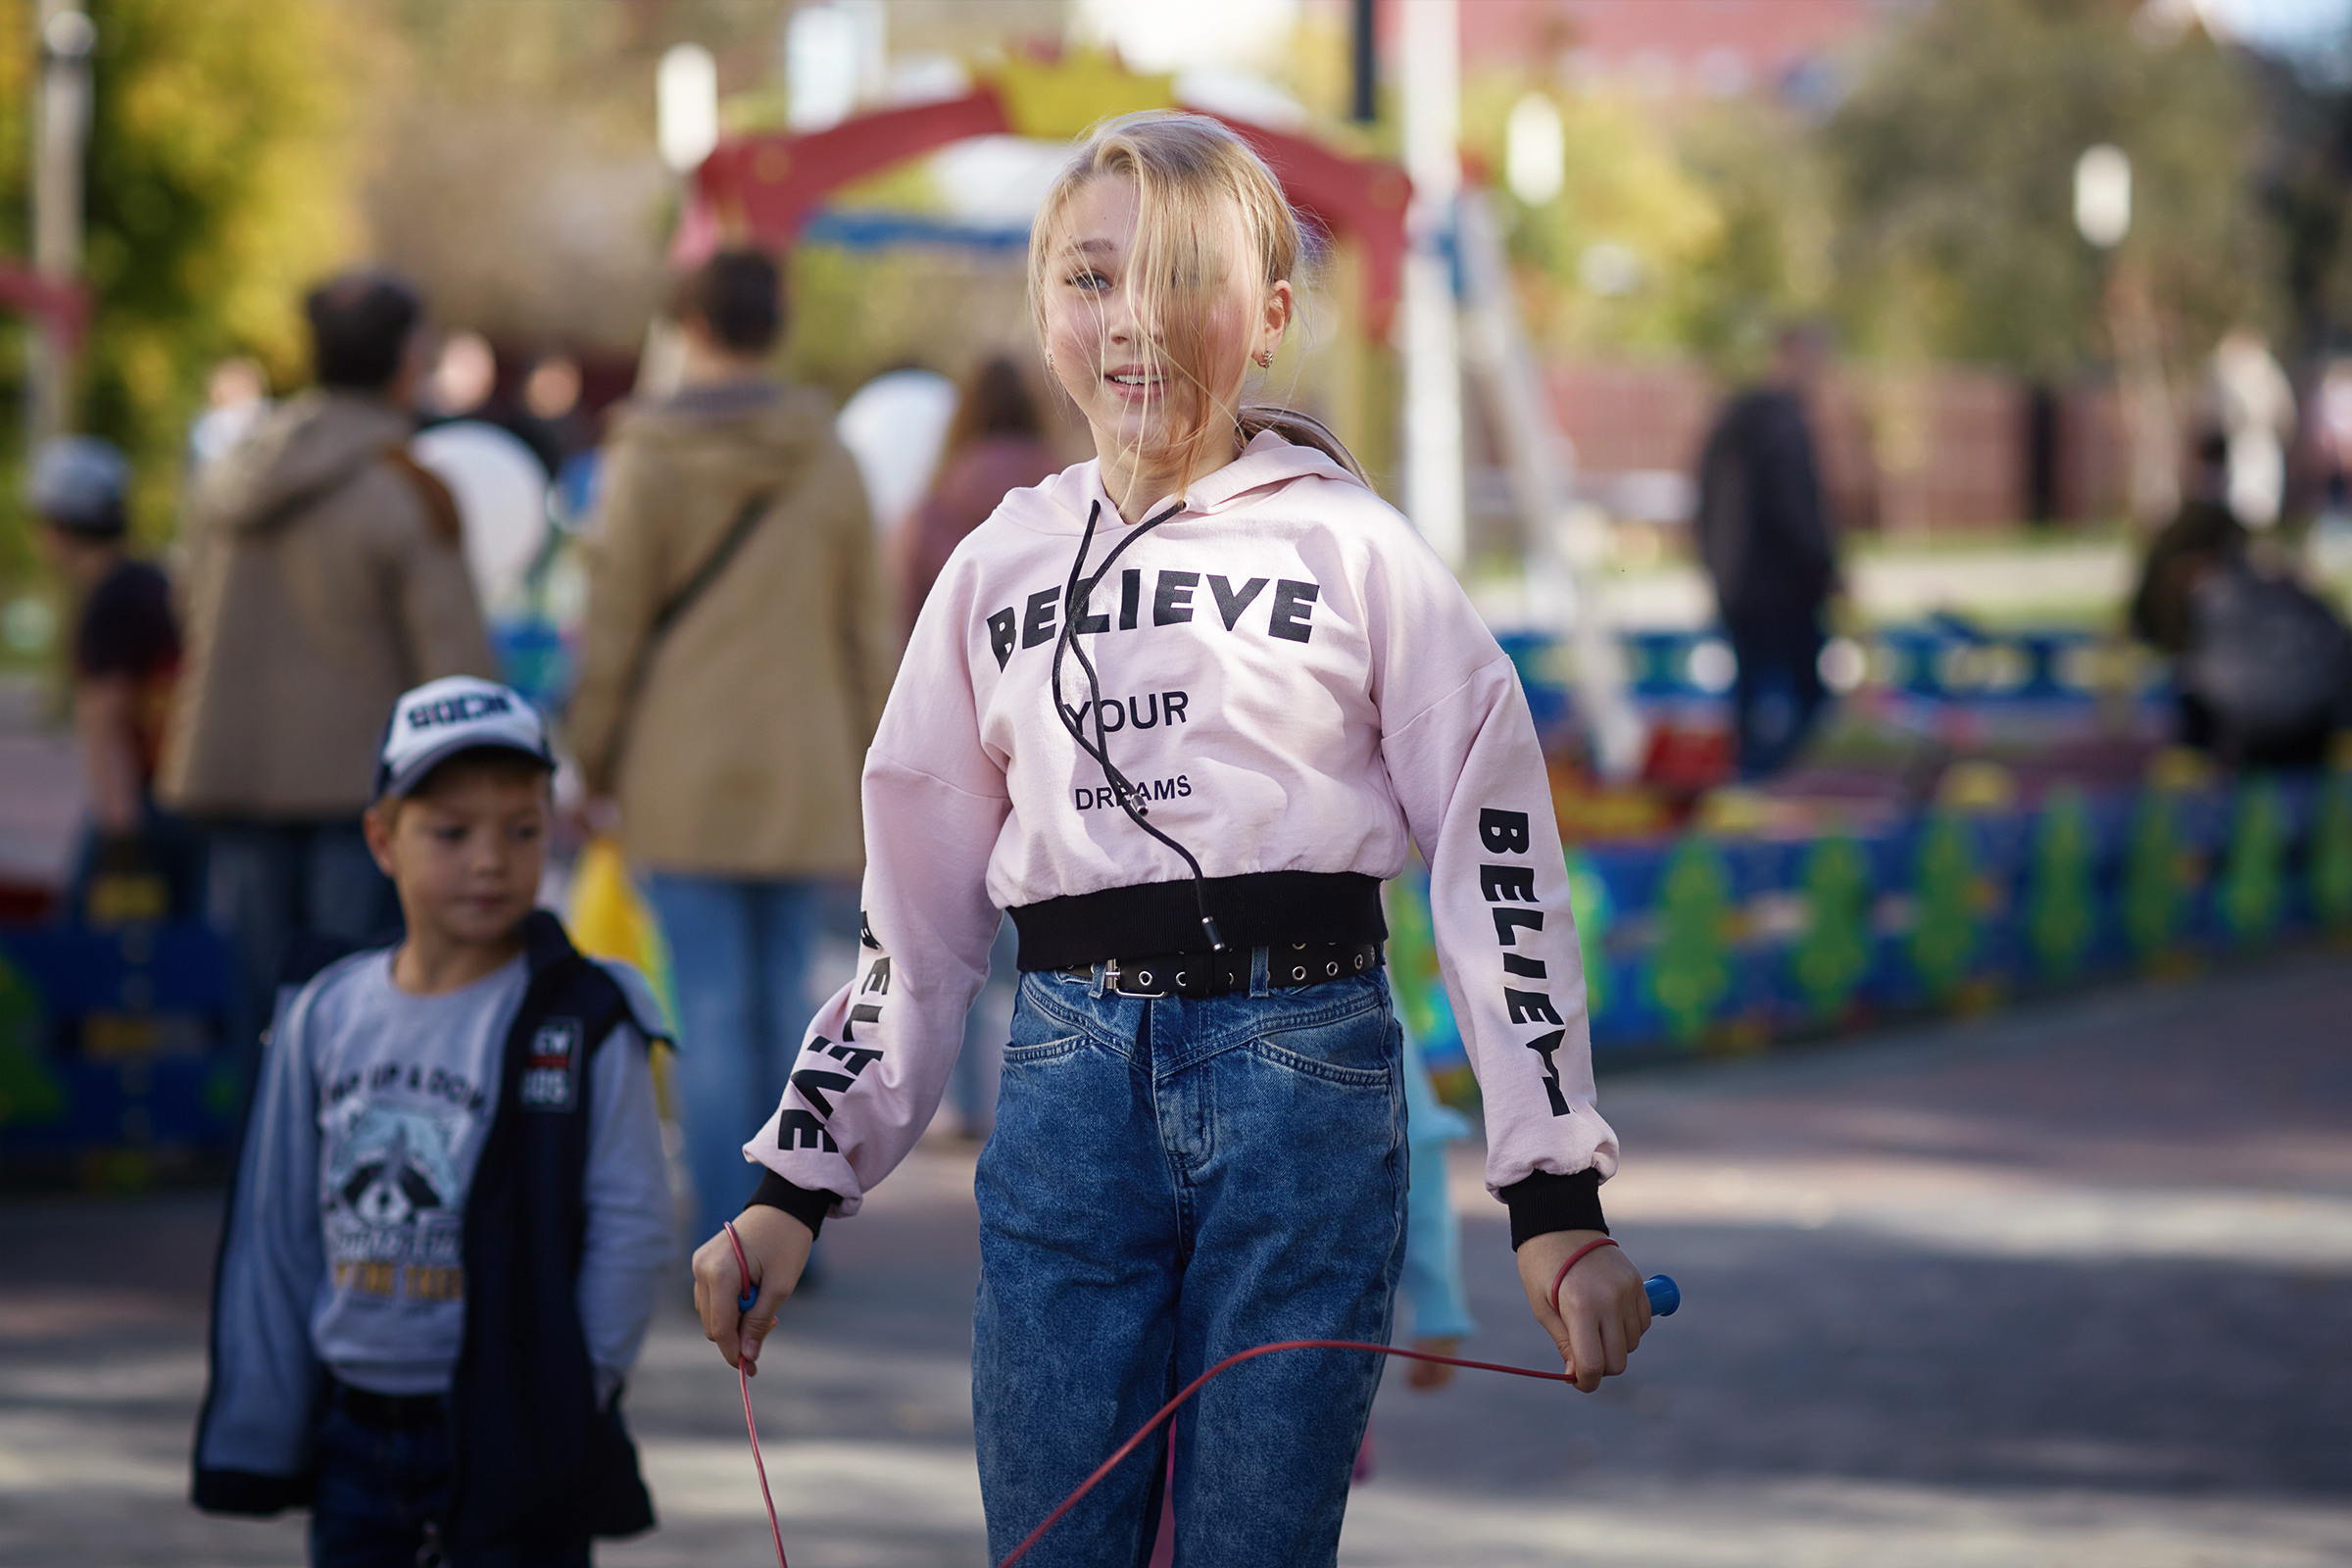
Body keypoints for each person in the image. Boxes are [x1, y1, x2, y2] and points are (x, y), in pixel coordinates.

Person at [693, 112, 1648, 1568]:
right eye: (1088, 280)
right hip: (1069, 1087)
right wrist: (797, 1183)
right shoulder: (992, 568)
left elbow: (1496, 864)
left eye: (1182, 277)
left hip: (1305, 1087)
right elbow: (918, 926)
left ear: (1269, 317)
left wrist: (1555, 1199)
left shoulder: (1357, 550)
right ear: (1042, 308)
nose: (1131, 320)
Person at [193, 676, 673, 1567]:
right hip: (352, 1432)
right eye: (451, 832)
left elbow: (633, 1221)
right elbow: (280, 1224)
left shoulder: (582, 1018)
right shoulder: (324, 1012)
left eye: (521, 830)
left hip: (516, 1431)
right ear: (382, 838)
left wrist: (572, 1391)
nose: (490, 860)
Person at [565, 248, 893, 1250]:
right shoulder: (829, 456)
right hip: (805, 764)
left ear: (689, 326)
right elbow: (867, 629)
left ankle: (728, 1235)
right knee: (795, 1009)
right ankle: (789, 1226)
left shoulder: (646, 457)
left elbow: (613, 626)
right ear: (774, 327)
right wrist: (889, 770)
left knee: (707, 1011)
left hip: (680, 762)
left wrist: (591, 756)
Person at [161, 270, 497, 1100]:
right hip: (364, 786)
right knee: (358, 1008)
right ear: (405, 359)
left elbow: (185, 602)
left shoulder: (235, 471)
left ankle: (265, 1196)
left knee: (262, 1011)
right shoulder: (404, 485)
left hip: (235, 772)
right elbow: (450, 659)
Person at [904, 355, 1065, 1138]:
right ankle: (1040, 1086)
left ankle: (958, 1100)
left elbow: (907, 622)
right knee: (1050, 921)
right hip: (1057, 734)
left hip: (960, 731)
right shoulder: (1074, 489)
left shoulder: (935, 505)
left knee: (952, 924)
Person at [29, 435, 202, 923]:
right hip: (182, 789)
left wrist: (119, 834)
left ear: (57, 527)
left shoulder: (108, 602)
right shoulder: (150, 581)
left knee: (80, 951)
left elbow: (105, 724)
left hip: (142, 801)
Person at [1692, 324, 1840, 779]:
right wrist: (1826, 567)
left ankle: (1750, 781)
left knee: (1750, 696)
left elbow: (1703, 500)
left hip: (1736, 584)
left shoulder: (1735, 417)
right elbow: (1793, 506)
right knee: (1809, 692)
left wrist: (1714, 567)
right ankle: (1773, 779)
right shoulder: (1782, 422)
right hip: (1781, 588)